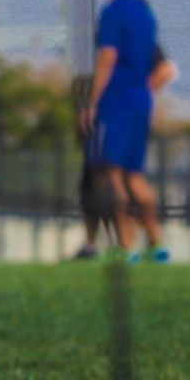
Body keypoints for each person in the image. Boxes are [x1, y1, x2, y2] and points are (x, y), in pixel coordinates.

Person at [83, 0, 168, 263]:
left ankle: (127, 246)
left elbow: (108, 56)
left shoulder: (111, 12)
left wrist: (92, 102)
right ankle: (157, 243)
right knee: (136, 176)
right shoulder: (145, 14)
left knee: (112, 174)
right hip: (142, 102)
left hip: (116, 101)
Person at [69, 47, 174, 261]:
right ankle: (146, 244)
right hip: (122, 116)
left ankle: (127, 245)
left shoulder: (119, 38)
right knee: (113, 181)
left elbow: (166, 70)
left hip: (116, 117)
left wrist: (110, 103)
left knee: (110, 178)